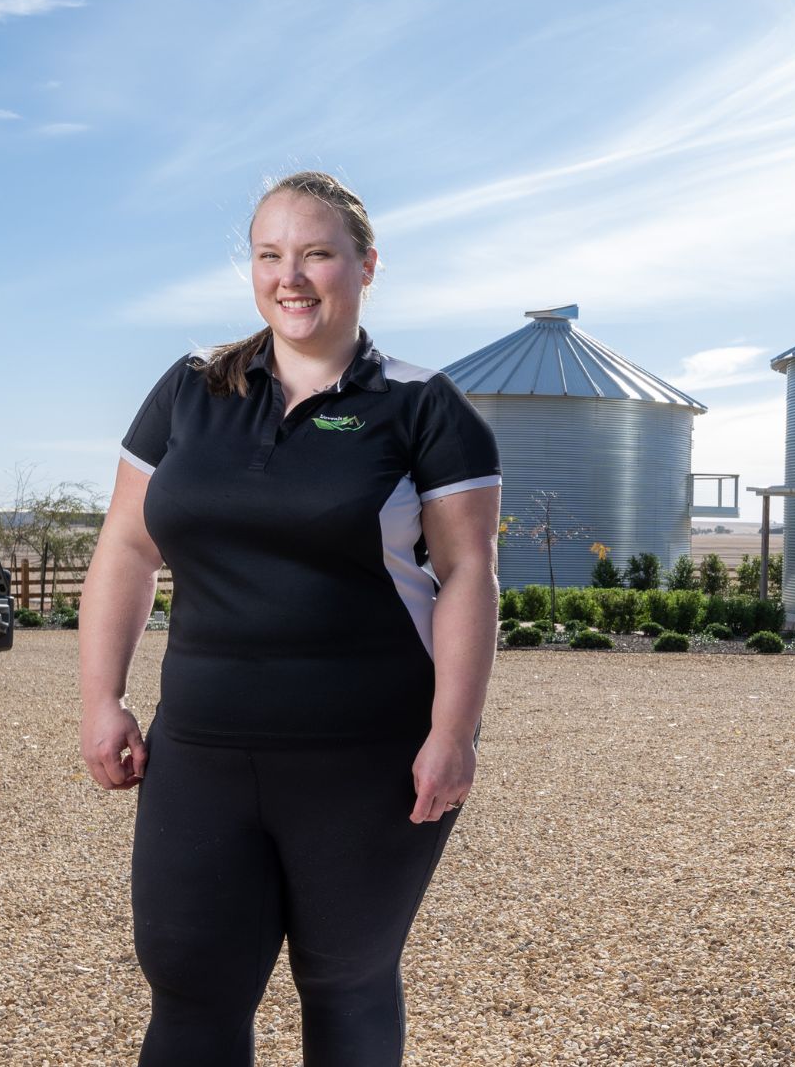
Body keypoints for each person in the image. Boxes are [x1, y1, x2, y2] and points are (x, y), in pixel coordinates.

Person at [76, 170, 502, 1066]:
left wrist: (453, 733)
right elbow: (124, 546)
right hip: (200, 749)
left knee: (344, 983)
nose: (291, 277)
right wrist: (101, 698)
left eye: (316, 254)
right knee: (191, 984)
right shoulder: (192, 390)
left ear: (366, 265)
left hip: (367, 758)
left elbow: (468, 574)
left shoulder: (425, 406)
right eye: (271, 256)